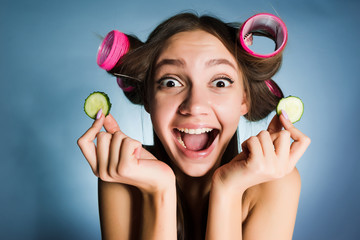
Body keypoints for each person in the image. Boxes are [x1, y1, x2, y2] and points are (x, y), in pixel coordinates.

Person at [77, 12, 311, 240]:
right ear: (148, 98)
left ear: (244, 99)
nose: (195, 105)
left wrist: (228, 190)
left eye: (220, 82)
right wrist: (158, 192)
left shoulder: (274, 181)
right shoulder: (124, 172)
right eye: (171, 82)